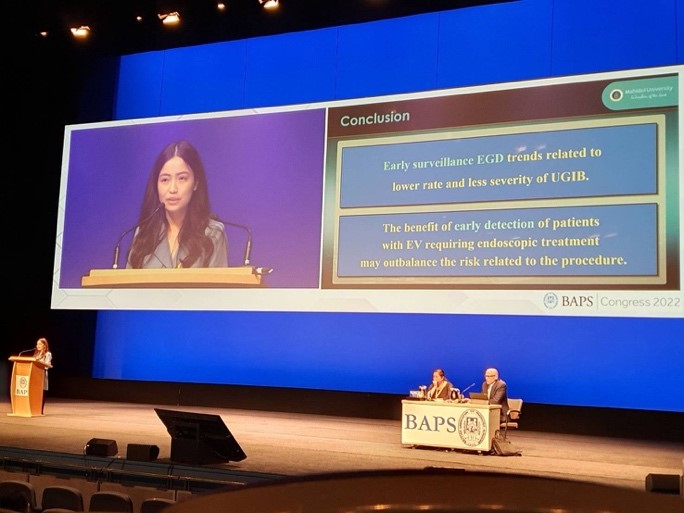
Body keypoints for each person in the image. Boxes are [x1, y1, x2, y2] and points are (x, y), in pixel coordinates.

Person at [126, 140, 228, 269]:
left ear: (196, 183)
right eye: (165, 180)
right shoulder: (144, 233)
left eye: (182, 178)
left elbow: (217, 282)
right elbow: (128, 281)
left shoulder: (213, 233)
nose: (173, 189)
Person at [33, 337, 53, 414]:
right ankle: (34, 409)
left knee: (41, 393)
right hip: (34, 375)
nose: (37, 345)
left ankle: (40, 410)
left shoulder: (48, 354)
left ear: (44, 345)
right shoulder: (36, 355)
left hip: (42, 374)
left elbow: (47, 365)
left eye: (40, 344)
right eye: (37, 344)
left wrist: (40, 364)